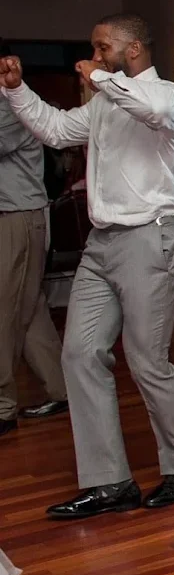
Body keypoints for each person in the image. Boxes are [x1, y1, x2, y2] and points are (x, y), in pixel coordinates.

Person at [0, 14, 174, 520]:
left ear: (132, 49)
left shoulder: (166, 96)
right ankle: (109, 481)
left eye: (102, 47)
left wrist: (97, 78)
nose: (93, 56)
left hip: (150, 238)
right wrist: (17, 89)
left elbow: (146, 106)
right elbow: (54, 130)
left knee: (147, 361)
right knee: (79, 353)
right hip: (102, 244)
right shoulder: (102, 105)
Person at [0, 40, 69, 435]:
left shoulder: (13, 105)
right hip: (15, 215)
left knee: (7, 310)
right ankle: (62, 389)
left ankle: (2, 407)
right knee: (29, 310)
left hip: (19, 217)